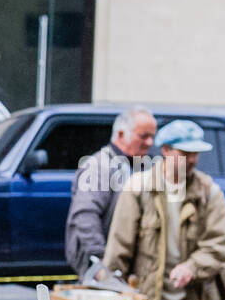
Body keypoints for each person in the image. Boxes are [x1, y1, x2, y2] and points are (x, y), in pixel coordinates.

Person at [102, 119, 225, 300]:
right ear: (166, 150)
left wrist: (191, 267)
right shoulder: (139, 188)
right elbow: (119, 248)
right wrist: (110, 291)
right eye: (185, 153)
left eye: (196, 154)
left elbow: (219, 246)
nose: (193, 160)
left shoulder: (209, 193)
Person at [65, 106, 157, 278]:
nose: (150, 143)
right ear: (121, 135)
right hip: (105, 268)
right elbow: (85, 216)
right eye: (144, 136)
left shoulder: (143, 167)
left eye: (152, 136)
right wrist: (101, 262)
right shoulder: (98, 167)